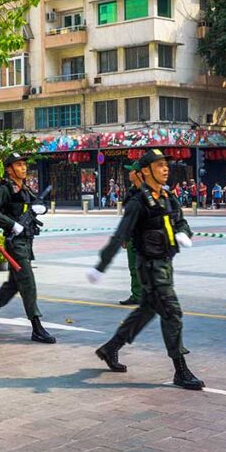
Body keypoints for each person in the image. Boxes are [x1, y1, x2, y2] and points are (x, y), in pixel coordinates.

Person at [86, 148, 203, 390]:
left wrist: (183, 233)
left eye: (166, 165)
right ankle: (181, 370)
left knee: (146, 311)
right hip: (149, 267)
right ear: (146, 171)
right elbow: (121, 235)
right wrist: (101, 266)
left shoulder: (167, 197)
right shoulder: (139, 202)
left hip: (165, 264)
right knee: (172, 313)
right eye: (160, 165)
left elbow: (181, 220)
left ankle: (110, 348)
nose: (165, 169)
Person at [0, 152, 56, 344]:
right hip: (15, 242)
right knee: (27, 281)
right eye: (19, 165)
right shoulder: (5, 189)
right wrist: (12, 224)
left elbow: (37, 203)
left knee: (14, 284)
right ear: (9, 170)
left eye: (24, 165)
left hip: (27, 241)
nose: (23, 168)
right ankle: (36, 327)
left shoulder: (25, 188)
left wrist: (41, 208)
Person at [118, 161, 144, 306]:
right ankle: (137, 294)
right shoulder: (132, 191)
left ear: (139, 174)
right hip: (132, 236)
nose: (129, 173)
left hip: (142, 236)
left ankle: (141, 295)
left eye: (131, 171)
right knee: (134, 267)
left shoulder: (146, 192)